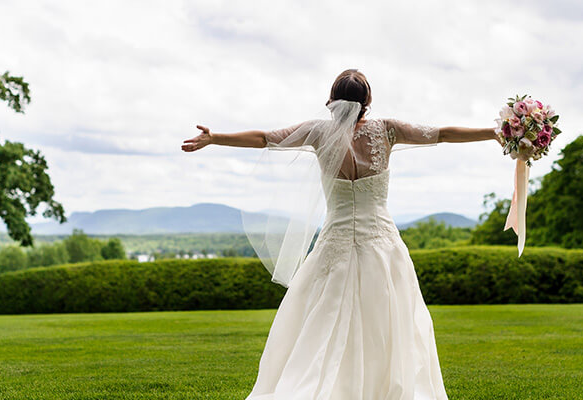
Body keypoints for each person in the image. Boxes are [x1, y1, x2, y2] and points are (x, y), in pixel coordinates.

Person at [182, 69, 500, 400]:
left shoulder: (318, 132)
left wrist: (215, 137)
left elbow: (264, 138)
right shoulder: (387, 130)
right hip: (381, 244)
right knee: (387, 318)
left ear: (332, 99)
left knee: (322, 317)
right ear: (368, 101)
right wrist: (494, 132)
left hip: (334, 243)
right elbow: (444, 133)